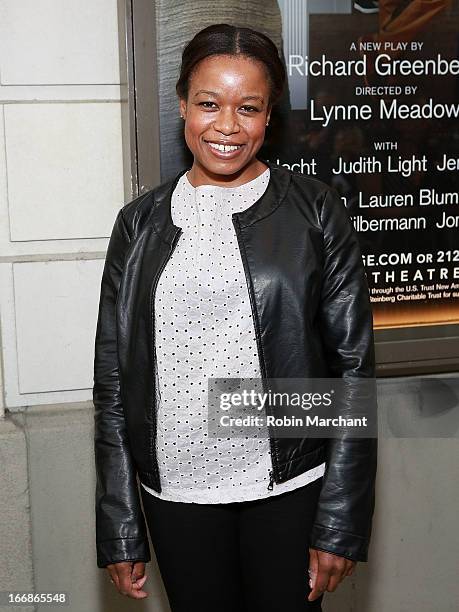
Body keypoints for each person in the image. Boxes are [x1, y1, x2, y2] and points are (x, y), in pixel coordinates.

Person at [93, 24, 377, 612]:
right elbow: (114, 384)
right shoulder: (138, 224)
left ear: (269, 115)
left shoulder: (315, 211)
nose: (227, 126)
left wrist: (339, 519)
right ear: (182, 105)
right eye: (209, 104)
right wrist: (121, 523)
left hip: (288, 486)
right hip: (175, 492)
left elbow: (353, 370)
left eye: (248, 107)